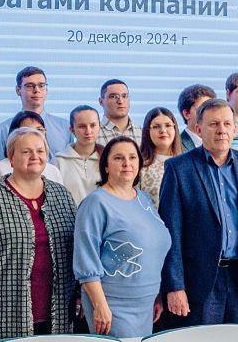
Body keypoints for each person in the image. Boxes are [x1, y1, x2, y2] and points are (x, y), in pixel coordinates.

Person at [159, 99, 238, 325]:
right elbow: (171, 232)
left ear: (234, 129)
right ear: (198, 129)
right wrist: (175, 286)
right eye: (213, 124)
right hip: (200, 281)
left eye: (227, 124)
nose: (221, 130)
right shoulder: (179, 168)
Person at [0, 128, 80, 339]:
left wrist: (81, 294)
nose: (35, 156)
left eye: (40, 151)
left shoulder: (62, 195)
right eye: (26, 151)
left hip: (60, 309)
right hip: (6, 311)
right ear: (11, 157)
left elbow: (77, 248)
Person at [74, 137, 172, 338]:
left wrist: (157, 295)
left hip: (146, 304)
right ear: (106, 166)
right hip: (112, 305)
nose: (127, 163)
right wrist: (100, 305)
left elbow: (153, 247)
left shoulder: (143, 198)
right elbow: (86, 259)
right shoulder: (96, 203)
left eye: (132, 157)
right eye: (118, 158)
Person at [0, 66, 73, 161]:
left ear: (46, 90)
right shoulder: (3, 130)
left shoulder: (65, 127)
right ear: (18, 90)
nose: (36, 90)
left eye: (41, 85)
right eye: (29, 86)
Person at [0, 111, 65, 185]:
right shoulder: (0, 168)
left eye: (39, 129)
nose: (35, 134)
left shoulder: (53, 171)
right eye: (27, 130)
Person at [54, 105, 103, 204]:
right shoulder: (58, 161)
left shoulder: (108, 159)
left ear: (99, 126)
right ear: (72, 129)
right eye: (82, 126)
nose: (88, 131)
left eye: (93, 125)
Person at [137, 107, 183, 207]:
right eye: (156, 126)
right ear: (147, 131)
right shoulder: (139, 165)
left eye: (168, 125)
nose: (163, 130)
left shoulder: (187, 163)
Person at [97, 79, 142, 145]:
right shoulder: (93, 134)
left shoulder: (142, 133)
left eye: (124, 96)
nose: (120, 101)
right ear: (101, 102)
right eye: (113, 97)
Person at [176, 84, 216, 151]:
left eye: (212, 109)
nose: (210, 114)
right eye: (203, 109)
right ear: (186, 114)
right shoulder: (176, 148)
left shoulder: (221, 143)